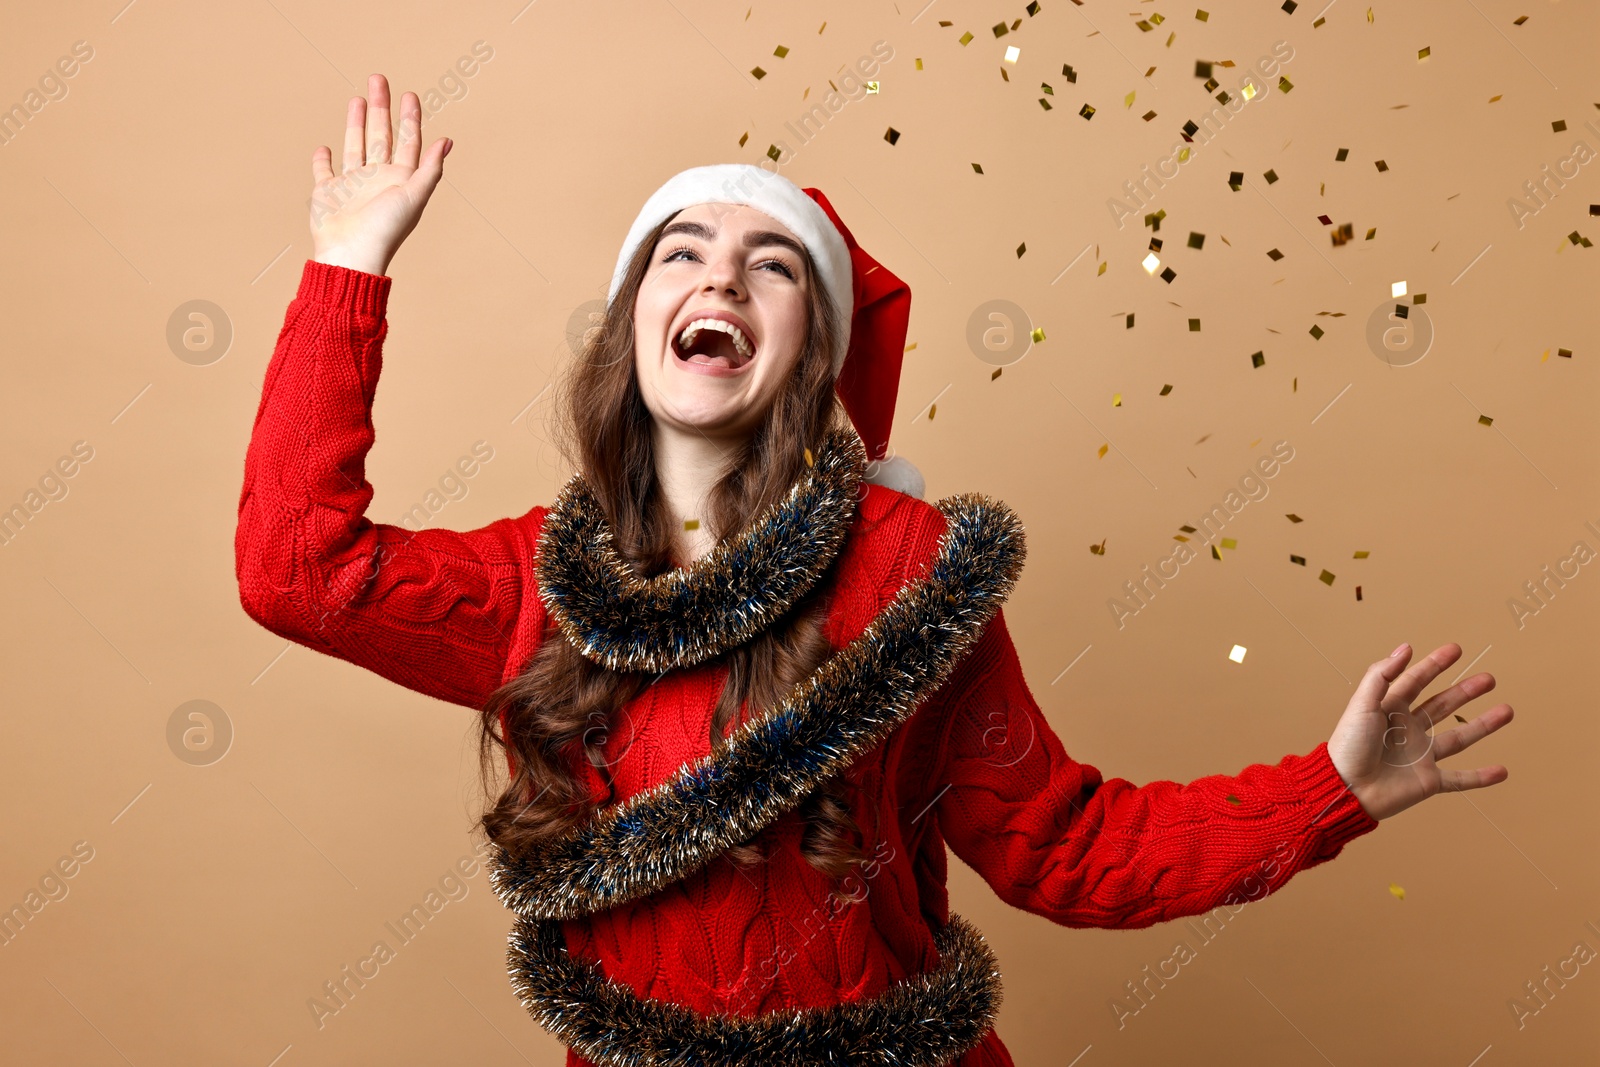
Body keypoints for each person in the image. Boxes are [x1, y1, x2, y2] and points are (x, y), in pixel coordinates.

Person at [235, 74, 1515, 1067]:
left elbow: (1064, 845)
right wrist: (349, 261)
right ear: (635, 325)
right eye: (680, 251)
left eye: (771, 262)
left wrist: (1327, 788)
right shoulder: (530, 582)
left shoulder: (909, 574)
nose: (720, 271)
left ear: (812, 351)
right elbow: (297, 569)